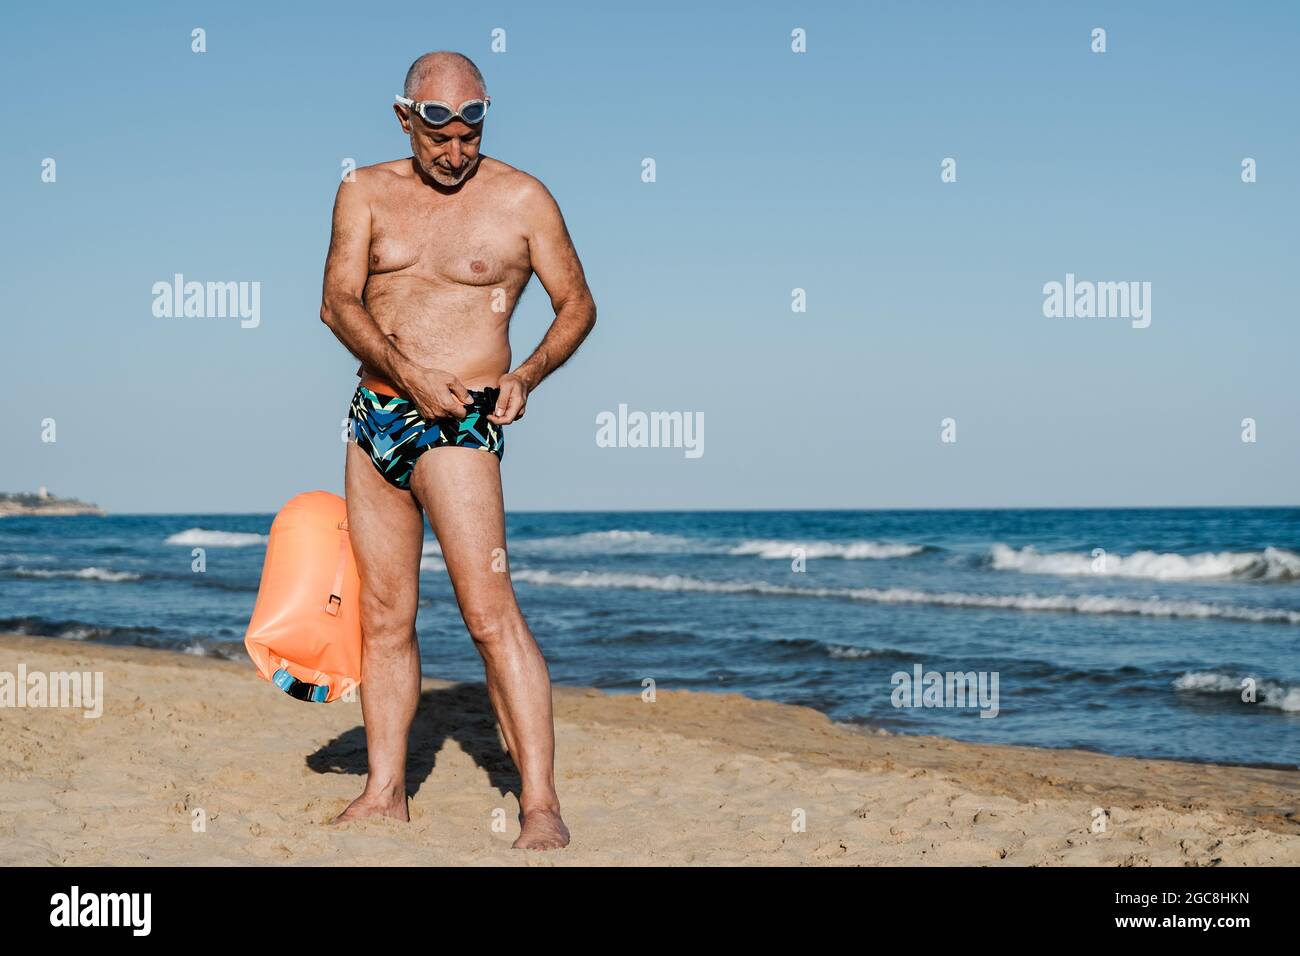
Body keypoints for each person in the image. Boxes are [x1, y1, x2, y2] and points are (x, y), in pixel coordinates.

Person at [319, 50, 596, 850]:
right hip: (375, 416)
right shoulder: (363, 191)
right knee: (383, 614)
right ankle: (385, 792)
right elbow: (336, 302)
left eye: (470, 132)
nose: (454, 152)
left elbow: (577, 303)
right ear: (405, 117)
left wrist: (530, 374)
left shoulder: (520, 197)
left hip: (461, 425)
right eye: (438, 134)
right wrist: (405, 371)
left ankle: (539, 804)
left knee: (488, 613)